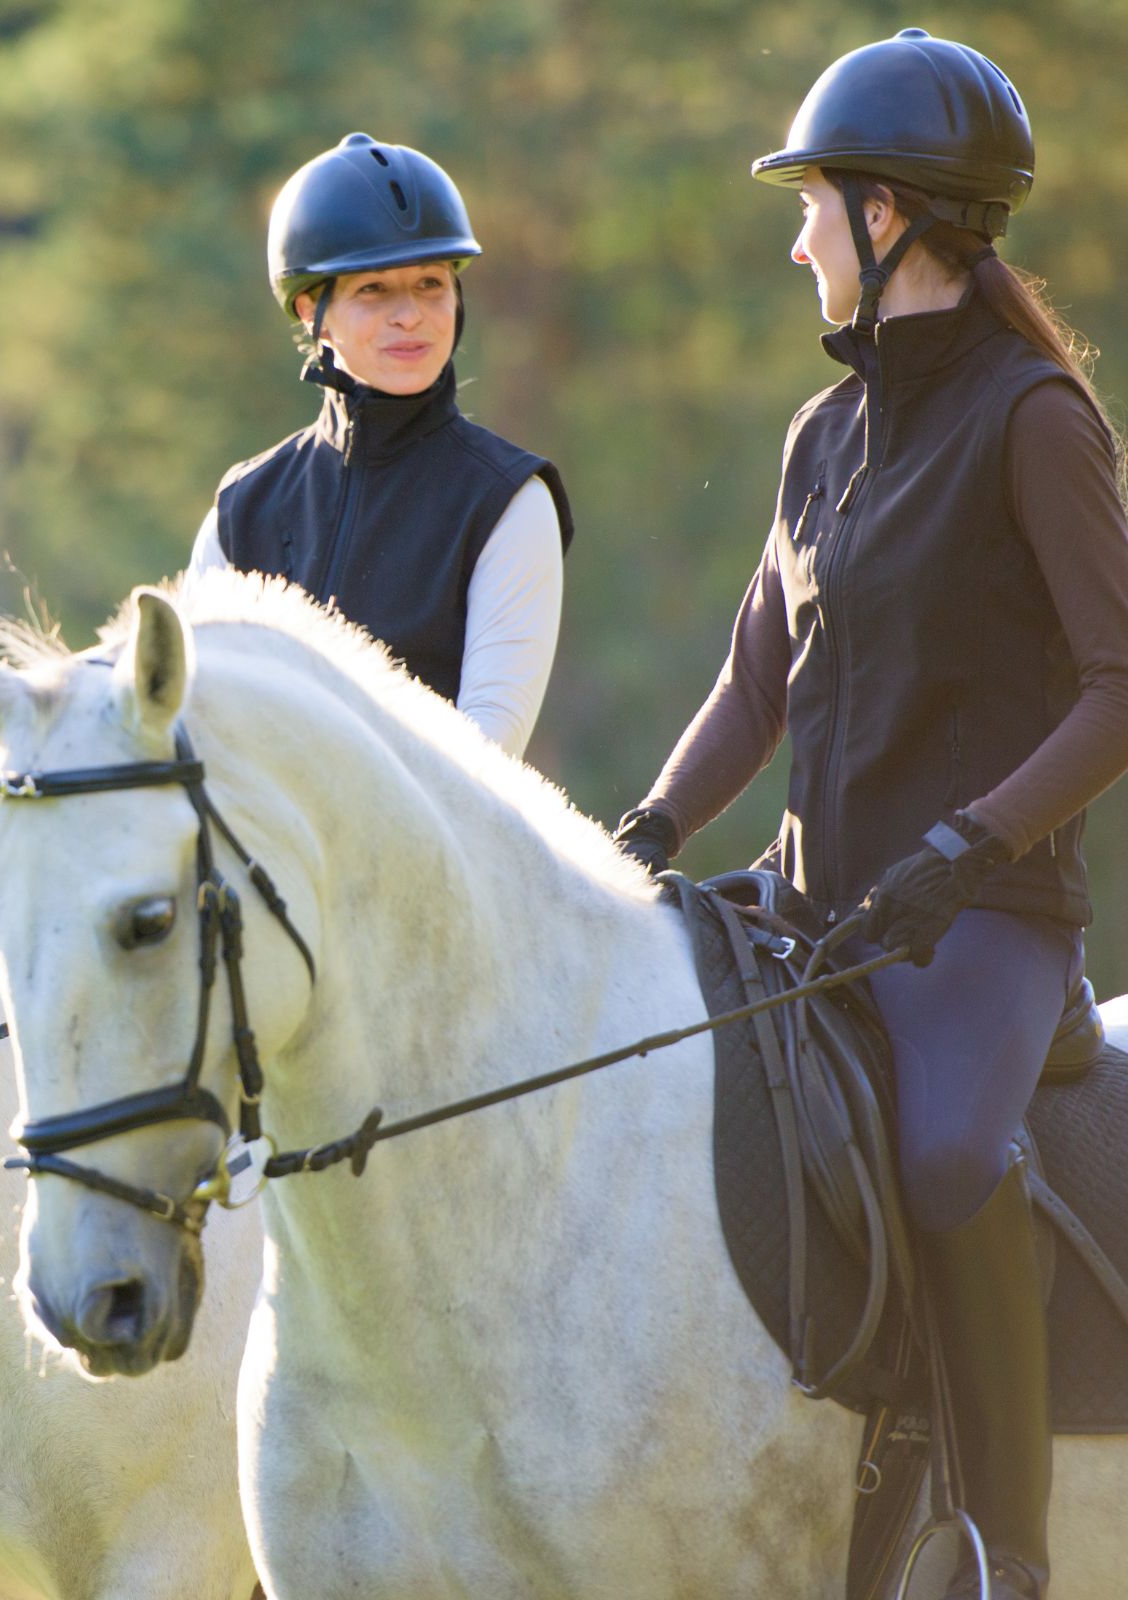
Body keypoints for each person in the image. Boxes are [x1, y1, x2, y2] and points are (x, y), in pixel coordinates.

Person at [614, 30, 1128, 1599]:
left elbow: (1121, 684)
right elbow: (754, 689)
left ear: (890, 214)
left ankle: (1003, 1553)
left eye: (814, 208)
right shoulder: (819, 438)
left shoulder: (1036, 418)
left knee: (951, 1159)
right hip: (818, 899)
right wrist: (643, 830)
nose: (797, 239)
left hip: (984, 917)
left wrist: (976, 844)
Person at [188, 133, 574, 756]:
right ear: (313, 308)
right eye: (374, 290)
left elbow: (484, 762)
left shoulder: (508, 500)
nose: (411, 315)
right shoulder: (240, 511)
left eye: (430, 284)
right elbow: (200, 729)